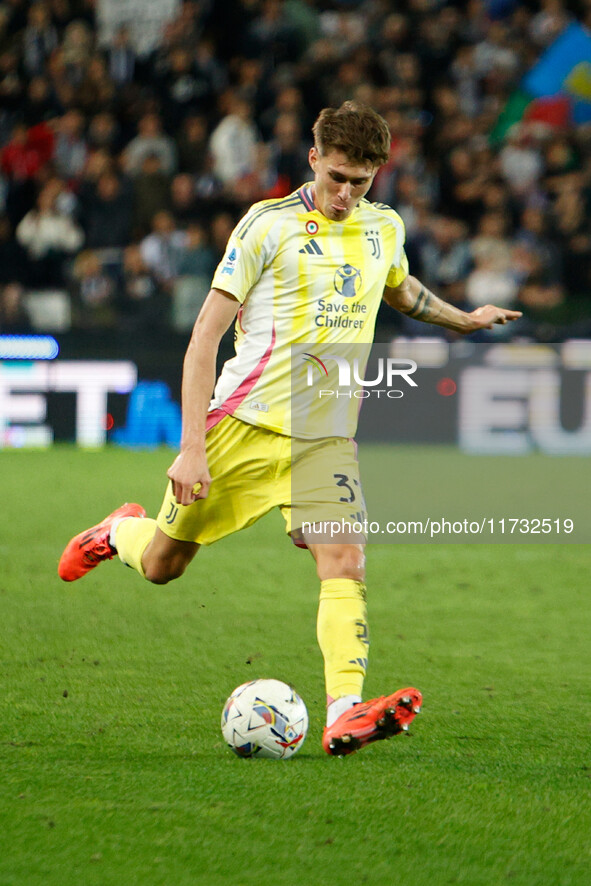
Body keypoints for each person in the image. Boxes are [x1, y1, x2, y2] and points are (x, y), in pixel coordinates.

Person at [58, 102, 521, 756]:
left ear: (376, 176)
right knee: (163, 564)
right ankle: (115, 530)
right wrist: (192, 448)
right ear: (312, 158)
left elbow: (400, 289)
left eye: (359, 182)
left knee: (345, 561)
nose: (344, 193)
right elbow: (203, 339)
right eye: (335, 176)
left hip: (324, 439)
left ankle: (344, 714)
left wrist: (462, 319)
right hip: (242, 428)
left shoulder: (382, 227)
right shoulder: (265, 226)